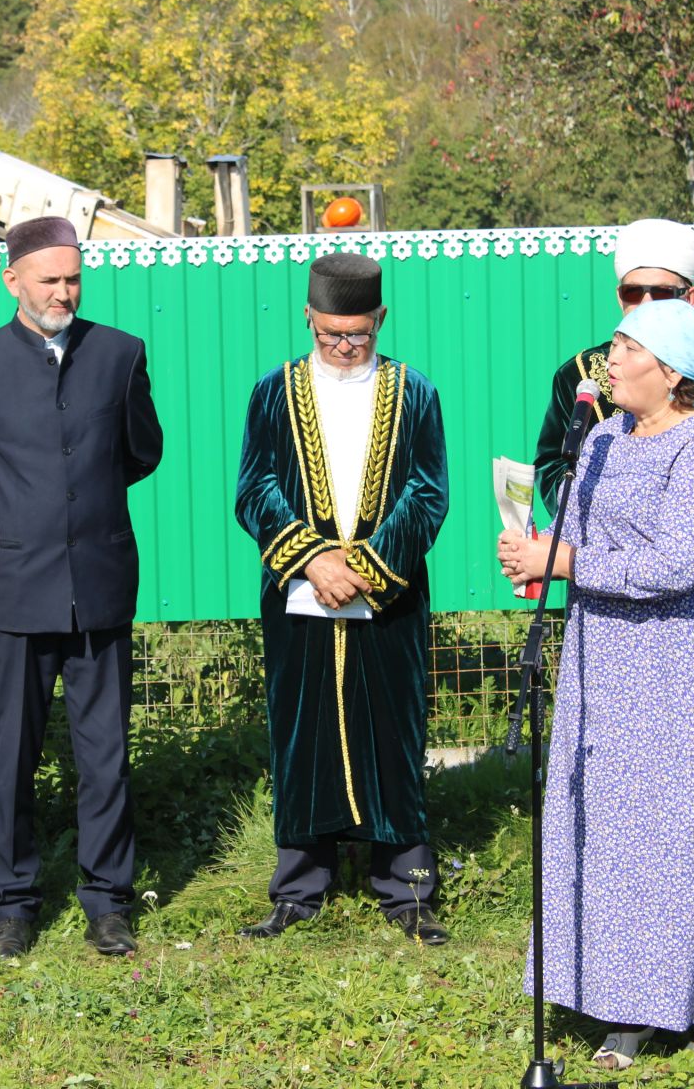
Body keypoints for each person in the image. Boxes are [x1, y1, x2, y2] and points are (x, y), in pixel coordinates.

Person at [499, 298, 694, 1073]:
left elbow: (675, 565)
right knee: (614, 828)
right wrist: (539, 553)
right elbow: (581, 536)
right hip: (603, 653)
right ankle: (628, 999)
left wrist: (570, 564)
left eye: (624, 349)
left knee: (688, 826)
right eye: (612, 349)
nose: (608, 361)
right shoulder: (604, 437)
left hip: (683, 654)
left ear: (672, 371)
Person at [531, 216, 694, 941]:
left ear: (689, 296)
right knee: (618, 780)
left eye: (659, 293)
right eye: (630, 295)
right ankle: (622, 931)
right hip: (604, 589)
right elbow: (558, 465)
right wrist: (575, 540)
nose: (641, 306)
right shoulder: (585, 377)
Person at [0, 216, 163, 959]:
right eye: (50, 281)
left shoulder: (120, 354)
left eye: (73, 279)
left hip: (100, 585)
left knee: (105, 753)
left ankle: (107, 901)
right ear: (13, 282)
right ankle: (12, 903)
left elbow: (141, 451)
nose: (64, 292)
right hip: (13, 593)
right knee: (10, 754)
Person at [233, 253, 452, 945]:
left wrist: (368, 566)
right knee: (302, 737)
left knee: (394, 732)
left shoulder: (414, 392)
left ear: (380, 320)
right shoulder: (274, 393)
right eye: (331, 334)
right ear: (309, 319)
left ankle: (408, 890)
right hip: (300, 595)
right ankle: (299, 888)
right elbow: (255, 487)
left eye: (357, 333)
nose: (345, 347)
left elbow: (427, 490)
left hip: (389, 597)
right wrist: (312, 559)